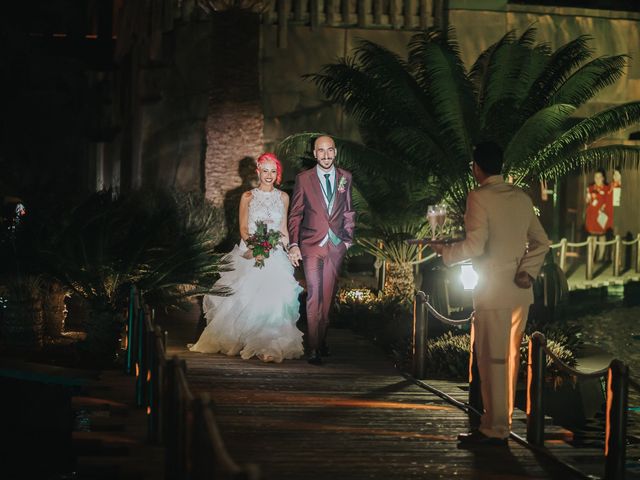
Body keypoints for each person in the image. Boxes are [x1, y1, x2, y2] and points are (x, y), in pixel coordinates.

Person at [432, 142, 550, 446]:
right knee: (509, 360)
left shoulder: (479, 197)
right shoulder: (521, 197)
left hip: (493, 292)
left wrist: (444, 251)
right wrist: (528, 270)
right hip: (520, 292)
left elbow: (475, 247)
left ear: (476, 168)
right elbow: (542, 242)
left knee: (491, 360)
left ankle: (495, 428)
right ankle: (501, 422)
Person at [189, 153, 304, 362]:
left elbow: (283, 229)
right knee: (247, 295)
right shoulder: (247, 197)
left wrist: (292, 248)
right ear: (257, 172)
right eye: (265, 170)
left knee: (275, 298)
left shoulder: (283, 197)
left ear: (277, 173)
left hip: (275, 252)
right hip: (252, 249)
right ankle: (245, 338)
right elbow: (243, 228)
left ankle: (269, 344)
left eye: (273, 171)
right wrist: (257, 246)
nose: (269, 175)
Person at [288, 135, 355, 365]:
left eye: (329, 150)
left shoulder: (345, 177)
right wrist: (294, 244)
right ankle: (314, 348)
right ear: (314, 154)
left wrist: (348, 240)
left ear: (335, 152)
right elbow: (296, 214)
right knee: (314, 295)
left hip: (335, 246)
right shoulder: (303, 179)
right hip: (310, 245)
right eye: (321, 151)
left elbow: (348, 212)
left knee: (327, 299)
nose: (325, 155)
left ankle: (321, 339)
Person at [585, 169, 613, 261]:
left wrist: (604, 207)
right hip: (592, 215)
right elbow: (587, 201)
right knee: (592, 236)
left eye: (599, 177)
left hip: (601, 215)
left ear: (603, 178)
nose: (597, 179)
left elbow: (609, 201)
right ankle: (591, 257)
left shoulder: (607, 188)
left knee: (602, 236)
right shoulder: (590, 188)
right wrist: (588, 197)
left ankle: (601, 257)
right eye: (596, 177)